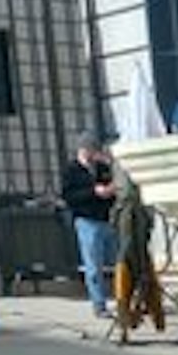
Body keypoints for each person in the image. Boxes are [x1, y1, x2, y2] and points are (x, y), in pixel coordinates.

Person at [59, 131, 116, 316]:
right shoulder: (72, 171)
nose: (95, 155)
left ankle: (123, 298)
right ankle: (99, 304)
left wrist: (109, 190)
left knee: (118, 260)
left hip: (106, 219)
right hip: (86, 220)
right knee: (93, 265)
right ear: (84, 150)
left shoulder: (102, 168)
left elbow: (112, 186)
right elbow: (69, 197)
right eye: (93, 150)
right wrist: (93, 192)